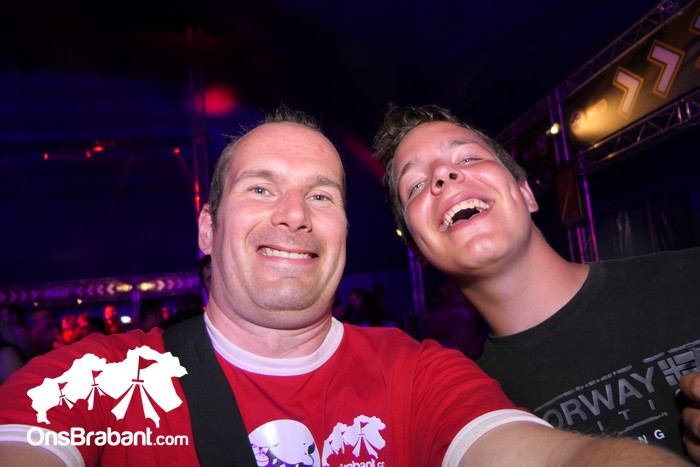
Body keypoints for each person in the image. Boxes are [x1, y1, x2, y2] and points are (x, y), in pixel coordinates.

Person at [0, 107, 691, 466]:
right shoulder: (91, 380)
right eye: (261, 188)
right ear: (207, 229)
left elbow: (549, 455)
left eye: (321, 195)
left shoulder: (418, 374)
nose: (293, 214)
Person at [373, 103, 700, 460]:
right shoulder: (472, 415)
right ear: (417, 250)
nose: (443, 174)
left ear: (527, 193)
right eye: (416, 185)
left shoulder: (690, 277)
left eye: (467, 158)